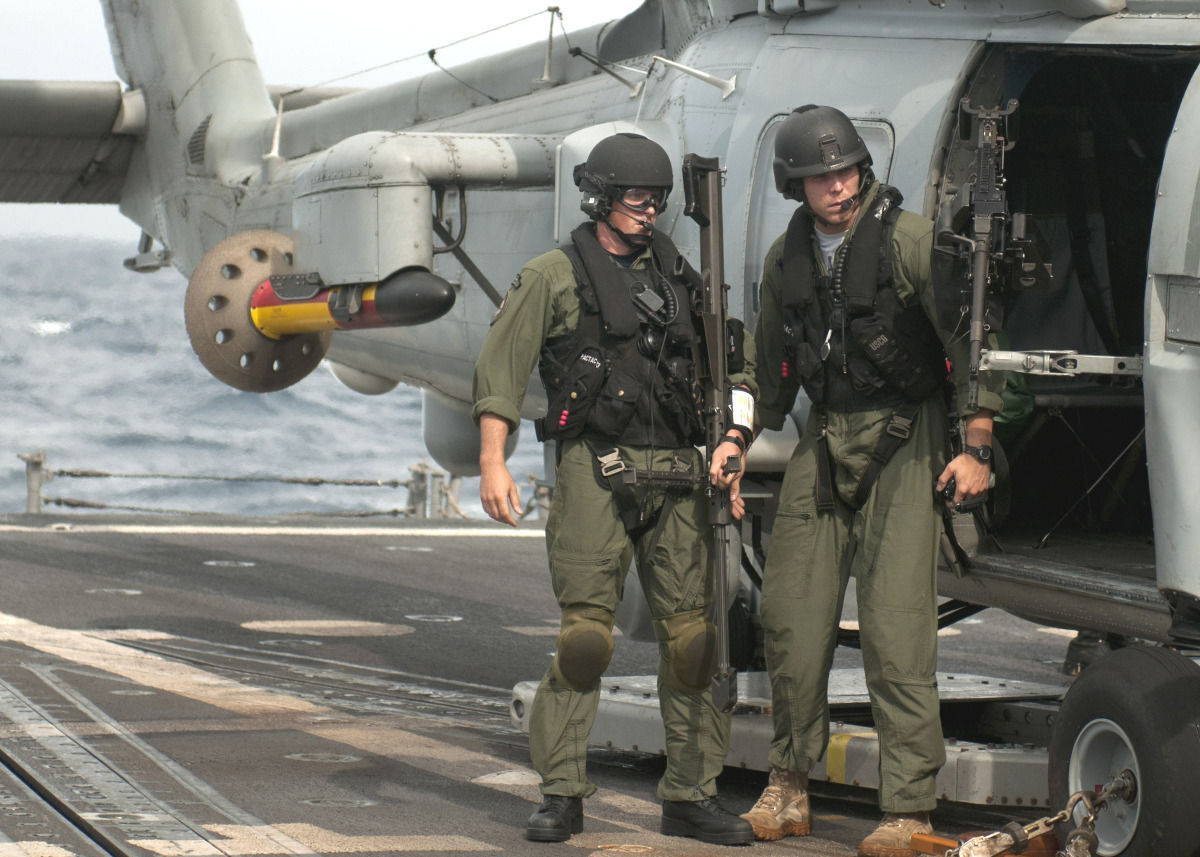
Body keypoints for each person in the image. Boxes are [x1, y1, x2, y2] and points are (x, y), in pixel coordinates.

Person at [472, 132, 758, 846]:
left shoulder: (687, 281)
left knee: (694, 643)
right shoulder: (553, 276)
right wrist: (492, 461)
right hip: (594, 468)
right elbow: (501, 368)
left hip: (680, 475)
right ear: (600, 198)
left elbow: (739, 369)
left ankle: (690, 793)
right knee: (585, 640)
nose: (650, 209)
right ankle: (561, 793)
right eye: (637, 197)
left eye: (658, 199)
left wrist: (734, 440)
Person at [739, 105, 1003, 857]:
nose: (837, 184)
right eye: (820, 176)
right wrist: (732, 437)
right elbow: (767, 373)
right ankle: (788, 784)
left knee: (896, 628)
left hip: (906, 433)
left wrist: (977, 446)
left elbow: (972, 344)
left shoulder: (910, 241)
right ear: (796, 185)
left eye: (847, 169)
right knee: (789, 614)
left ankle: (909, 807)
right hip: (826, 435)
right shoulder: (785, 260)